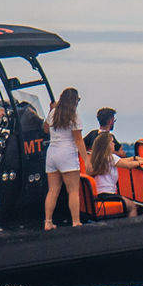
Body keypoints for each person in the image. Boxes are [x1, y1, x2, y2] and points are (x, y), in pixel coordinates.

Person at [44, 86, 85, 230]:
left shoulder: (54, 112)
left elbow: (45, 128)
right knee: (73, 190)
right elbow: (78, 139)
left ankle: (48, 222)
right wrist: (86, 160)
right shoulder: (74, 115)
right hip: (67, 154)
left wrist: (50, 110)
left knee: (53, 190)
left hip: (52, 153)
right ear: (74, 101)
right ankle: (76, 221)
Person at [86, 132, 141, 219]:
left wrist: (134, 158)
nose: (114, 144)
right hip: (109, 195)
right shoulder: (110, 157)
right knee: (132, 206)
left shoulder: (96, 158)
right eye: (112, 142)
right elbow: (128, 165)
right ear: (106, 145)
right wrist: (140, 162)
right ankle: (131, 230)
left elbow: (123, 160)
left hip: (99, 195)